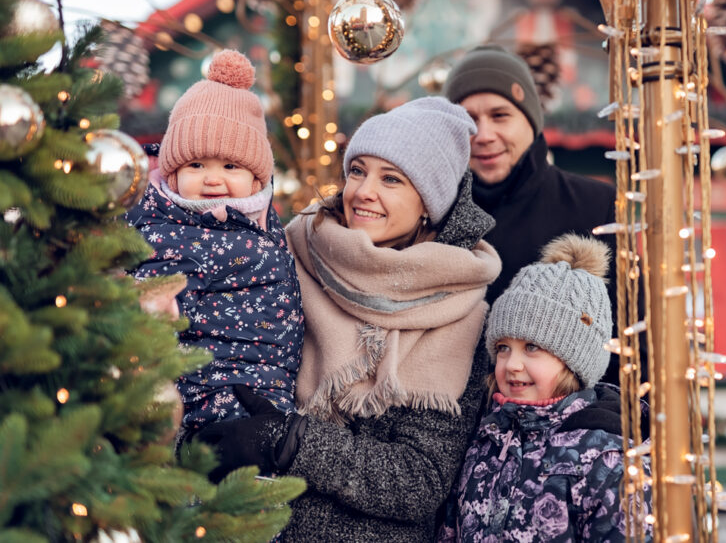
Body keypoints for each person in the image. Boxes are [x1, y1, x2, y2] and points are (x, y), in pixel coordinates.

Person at [195, 96, 502, 541]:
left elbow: (418, 480)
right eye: (357, 170)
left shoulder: (460, 314)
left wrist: (293, 442)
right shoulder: (290, 251)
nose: (362, 192)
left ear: (429, 204)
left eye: (391, 179)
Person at [125, 49, 303, 440]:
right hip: (208, 395)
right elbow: (151, 305)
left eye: (230, 167)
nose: (212, 180)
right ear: (172, 174)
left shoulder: (261, 221)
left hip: (267, 390)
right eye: (196, 165)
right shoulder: (167, 231)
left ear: (256, 180)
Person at [444, 45, 640, 385]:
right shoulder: (433, 213)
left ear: (531, 121)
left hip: (574, 429)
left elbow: (634, 335)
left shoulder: (595, 206)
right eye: (469, 120)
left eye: (500, 115)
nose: (485, 135)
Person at [437, 234, 652, 542]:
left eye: (532, 347)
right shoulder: (486, 441)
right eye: (502, 348)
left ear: (572, 359)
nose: (512, 364)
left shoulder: (607, 460)